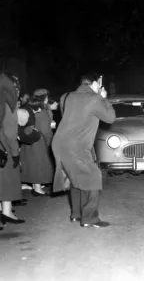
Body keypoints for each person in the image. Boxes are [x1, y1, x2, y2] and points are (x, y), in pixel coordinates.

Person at [52, 73, 116, 228]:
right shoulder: (94, 99)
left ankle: (76, 214)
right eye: (98, 84)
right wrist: (103, 98)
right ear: (94, 83)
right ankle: (89, 218)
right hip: (77, 145)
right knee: (94, 177)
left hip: (60, 142)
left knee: (76, 177)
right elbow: (110, 118)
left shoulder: (65, 97)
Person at [0, 72, 25, 226]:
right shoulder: (8, 101)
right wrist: (15, 153)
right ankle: (7, 212)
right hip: (4, 147)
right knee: (7, 179)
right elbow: (10, 132)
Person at [20, 97, 54, 195]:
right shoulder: (42, 113)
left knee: (31, 164)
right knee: (39, 164)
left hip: (26, 141)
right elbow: (46, 131)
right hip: (38, 142)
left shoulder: (25, 111)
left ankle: (36, 186)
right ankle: (37, 189)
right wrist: (50, 143)